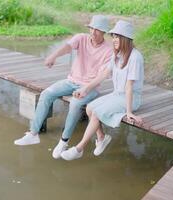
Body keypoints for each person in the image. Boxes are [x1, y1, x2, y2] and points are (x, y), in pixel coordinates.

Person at [14, 15, 113, 159]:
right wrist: (53, 56)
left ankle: (63, 141)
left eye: (97, 30)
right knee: (46, 94)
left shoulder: (108, 50)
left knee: (75, 104)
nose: (93, 32)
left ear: (103, 32)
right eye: (92, 28)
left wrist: (85, 89)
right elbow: (67, 47)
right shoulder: (81, 38)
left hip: (90, 86)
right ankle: (33, 134)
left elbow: (103, 75)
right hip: (71, 81)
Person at [60, 20, 145, 161]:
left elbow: (129, 86)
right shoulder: (117, 55)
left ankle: (79, 148)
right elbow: (104, 75)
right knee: (89, 108)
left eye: (118, 37)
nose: (114, 40)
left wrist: (129, 112)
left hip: (130, 98)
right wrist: (85, 89)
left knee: (97, 113)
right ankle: (101, 137)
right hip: (117, 95)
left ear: (126, 39)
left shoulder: (135, 57)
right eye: (113, 36)